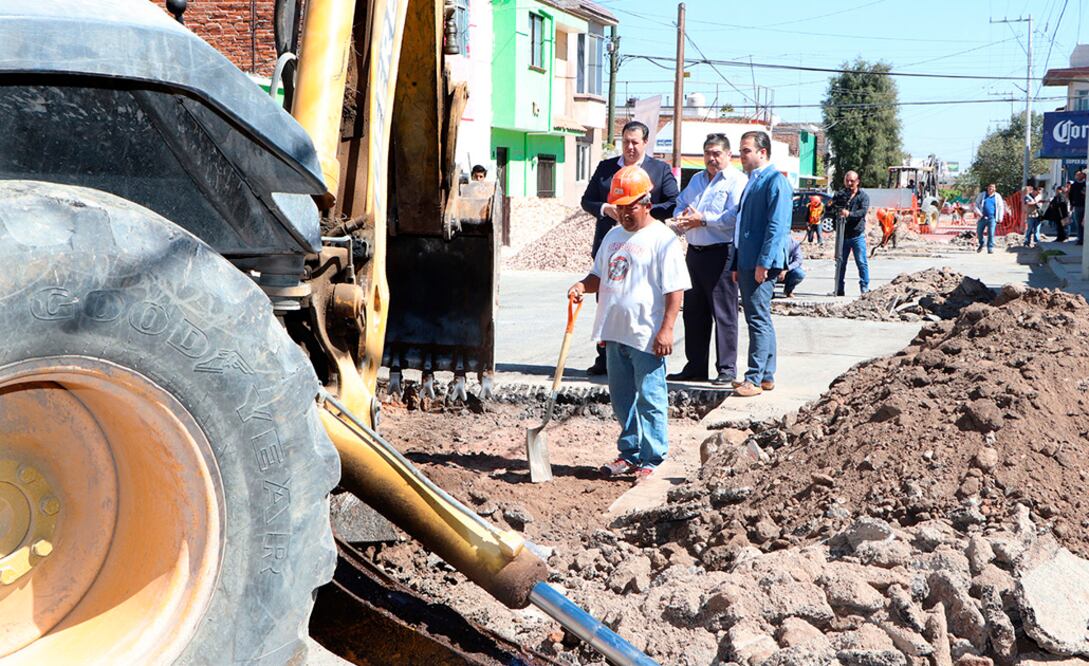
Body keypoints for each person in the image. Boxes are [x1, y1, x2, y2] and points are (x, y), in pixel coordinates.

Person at [567, 165, 689, 483]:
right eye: (619, 207)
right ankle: (630, 453)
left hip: (647, 335)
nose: (623, 214)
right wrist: (582, 285)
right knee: (622, 400)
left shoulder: (662, 239)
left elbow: (675, 290)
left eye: (629, 207)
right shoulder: (613, 235)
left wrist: (667, 329)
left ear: (646, 202)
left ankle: (653, 458)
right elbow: (599, 275)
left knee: (650, 397)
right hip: (614, 331)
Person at [580, 120, 679, 376]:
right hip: (612, 243)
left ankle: (643, 355)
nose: (630, 147)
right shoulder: (606, 168)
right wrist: (608, 209)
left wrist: (637, 212)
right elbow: (587, 200)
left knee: (640, 301)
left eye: (635, 142)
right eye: (626, 142)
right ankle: (606, 358)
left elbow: (672, 202)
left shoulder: (658, 170)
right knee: (609, 298)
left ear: (645, 143)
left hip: (645, 246)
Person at [666, 133, 747, 385]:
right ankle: (696, 366)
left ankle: (726, 369)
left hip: (721, 253)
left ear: (728, 155)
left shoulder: (736, 180)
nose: (712, 159)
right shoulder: (698, 180)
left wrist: (703, 220)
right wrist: (681, 217)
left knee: (723, 313)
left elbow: (734, 216)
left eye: (717, 154)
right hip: (694, 253)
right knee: (693, 312)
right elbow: (680, 203)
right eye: (708, 153)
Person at [728, 131, 792, 398]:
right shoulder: (753, 182)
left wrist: (763, 262)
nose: (741, 156)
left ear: (762, 152)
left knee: (757, 319)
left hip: (760, 263)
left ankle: (753, 378)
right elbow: (741, 224)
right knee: (760, 317)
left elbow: (777, 227)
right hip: (746, 260)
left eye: (746, 151)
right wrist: (735, 261)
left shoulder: (775, 182)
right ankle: (766, 375)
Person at [832, 170, 870, 296]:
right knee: (840, 262)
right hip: (843, 235)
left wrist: (849, 214)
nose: (849, 183)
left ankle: (864, 288)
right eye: (847, 181)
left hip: (856, 235)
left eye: (852, 181)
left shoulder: (863, 196)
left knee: (861, 261)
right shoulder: (840, 195)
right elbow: (831, 207)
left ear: (857, 182)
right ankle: (839, 288)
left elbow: (862, 212)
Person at [973, 183, 1005, 254]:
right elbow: (976, 204)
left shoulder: (997, 196)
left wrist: (1000, 217)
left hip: (992, 218)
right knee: (979, 232)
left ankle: (990, 248)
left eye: (993, 187)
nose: (991, 189)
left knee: (991, 233)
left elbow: (1000, 207)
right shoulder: (982, 195)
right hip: (982, 217)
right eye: (990, 187)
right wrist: (979, 213)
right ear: (987, 188)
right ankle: (982, 243)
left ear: (995, 189)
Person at [1071, 171, 1086, 246]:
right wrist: (1071, 205)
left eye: (1079, 175)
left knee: (1085, 224)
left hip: (1086, 206)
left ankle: (1085, 239)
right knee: (1079, 223)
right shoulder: (1074, 185)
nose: (1077, 176)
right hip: (1077, 206)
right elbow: (1071, 195)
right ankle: (1080, 239)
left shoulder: (1086, 184)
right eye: (1076, 175)